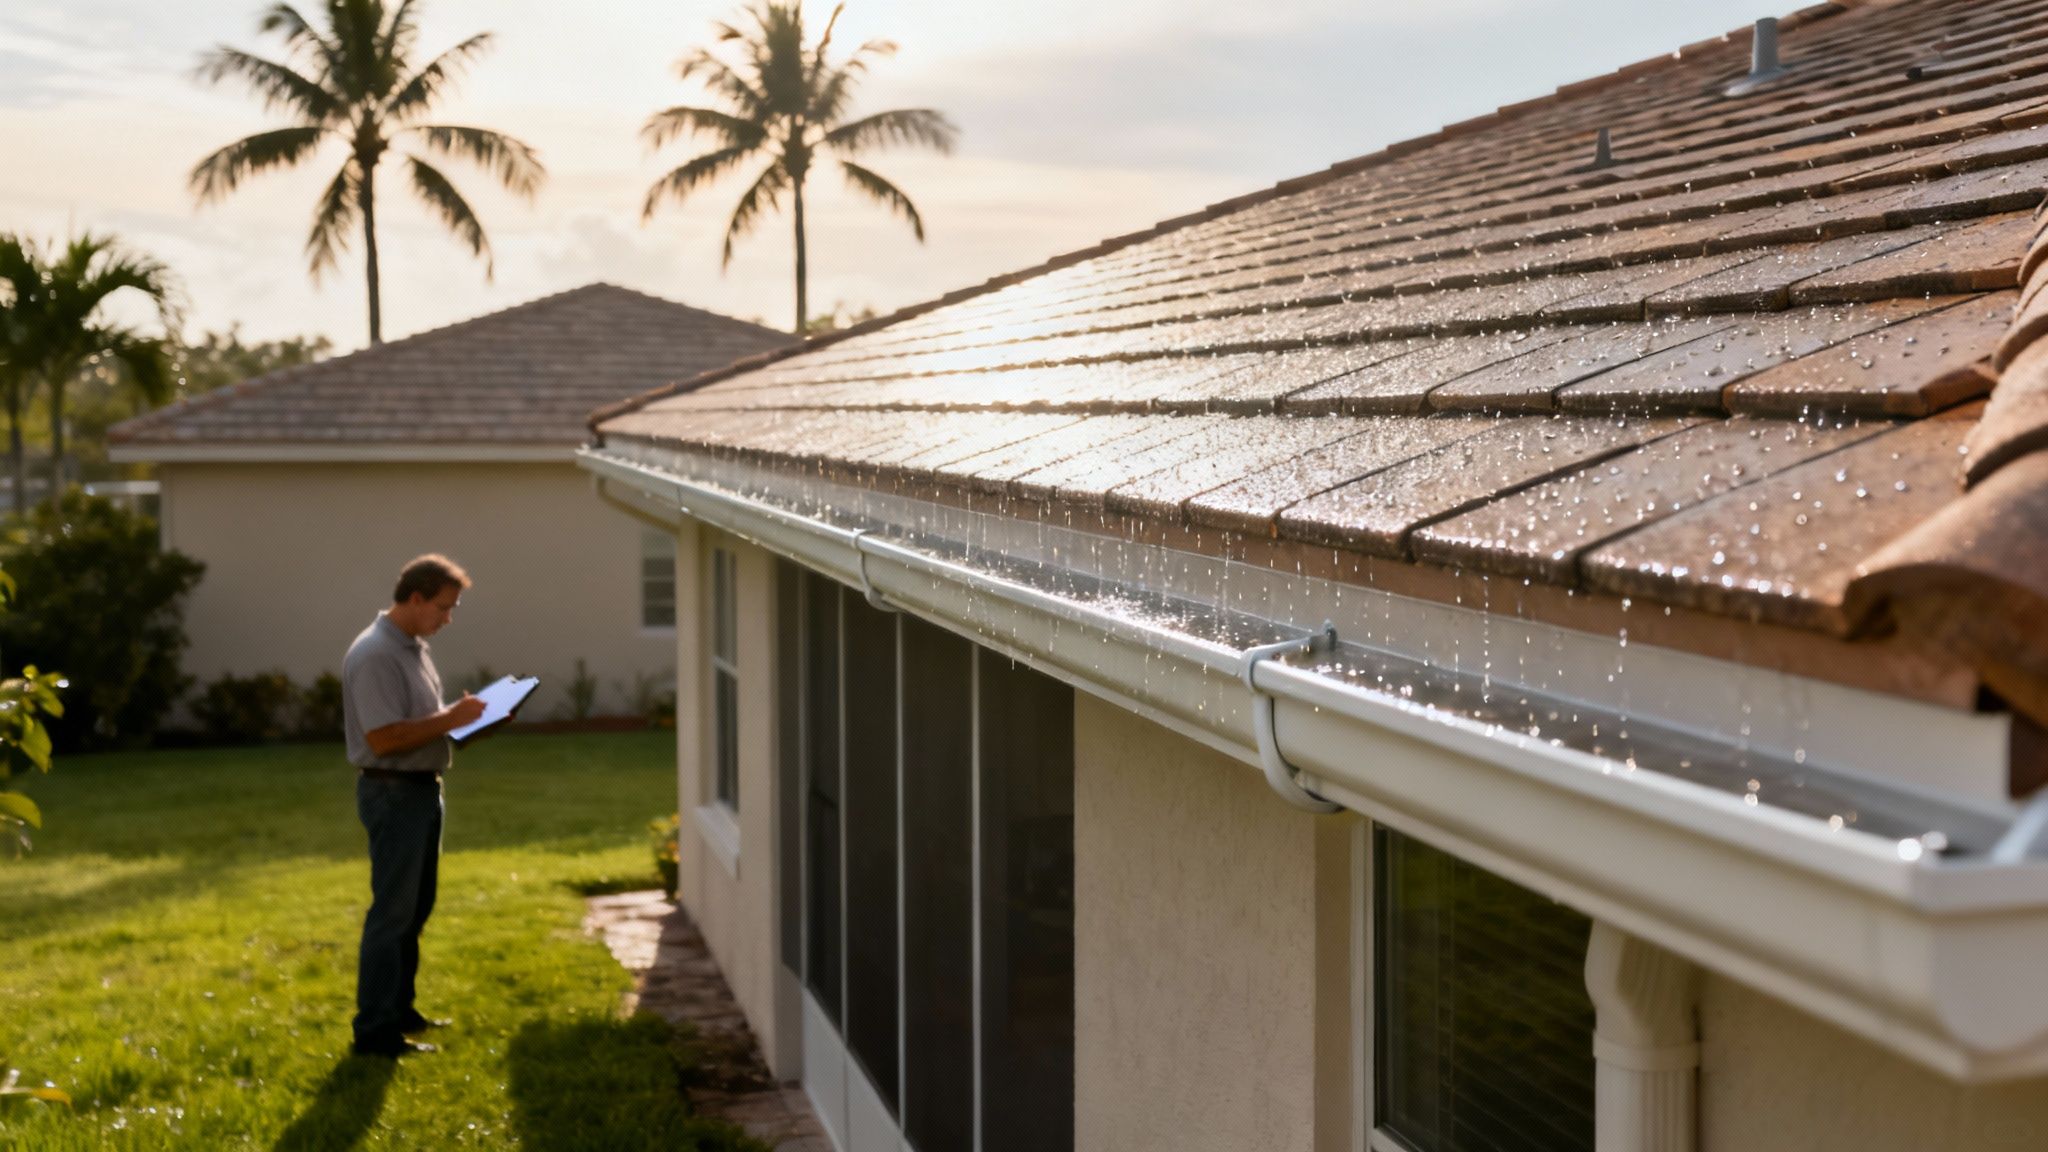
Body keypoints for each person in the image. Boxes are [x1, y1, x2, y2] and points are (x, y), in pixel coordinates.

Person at [341, 554, 486, 1057]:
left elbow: (421, 721)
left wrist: (469, 721)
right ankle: (375, 1032)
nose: (449, 618)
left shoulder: (412, 648)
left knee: (414, 910)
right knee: (392, 914)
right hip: (394, 791)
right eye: (444, 608)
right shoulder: (376, 654)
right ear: (416, 598)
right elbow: (383, 738)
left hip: (421, 790)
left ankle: (400, 1011)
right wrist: (451, 717)